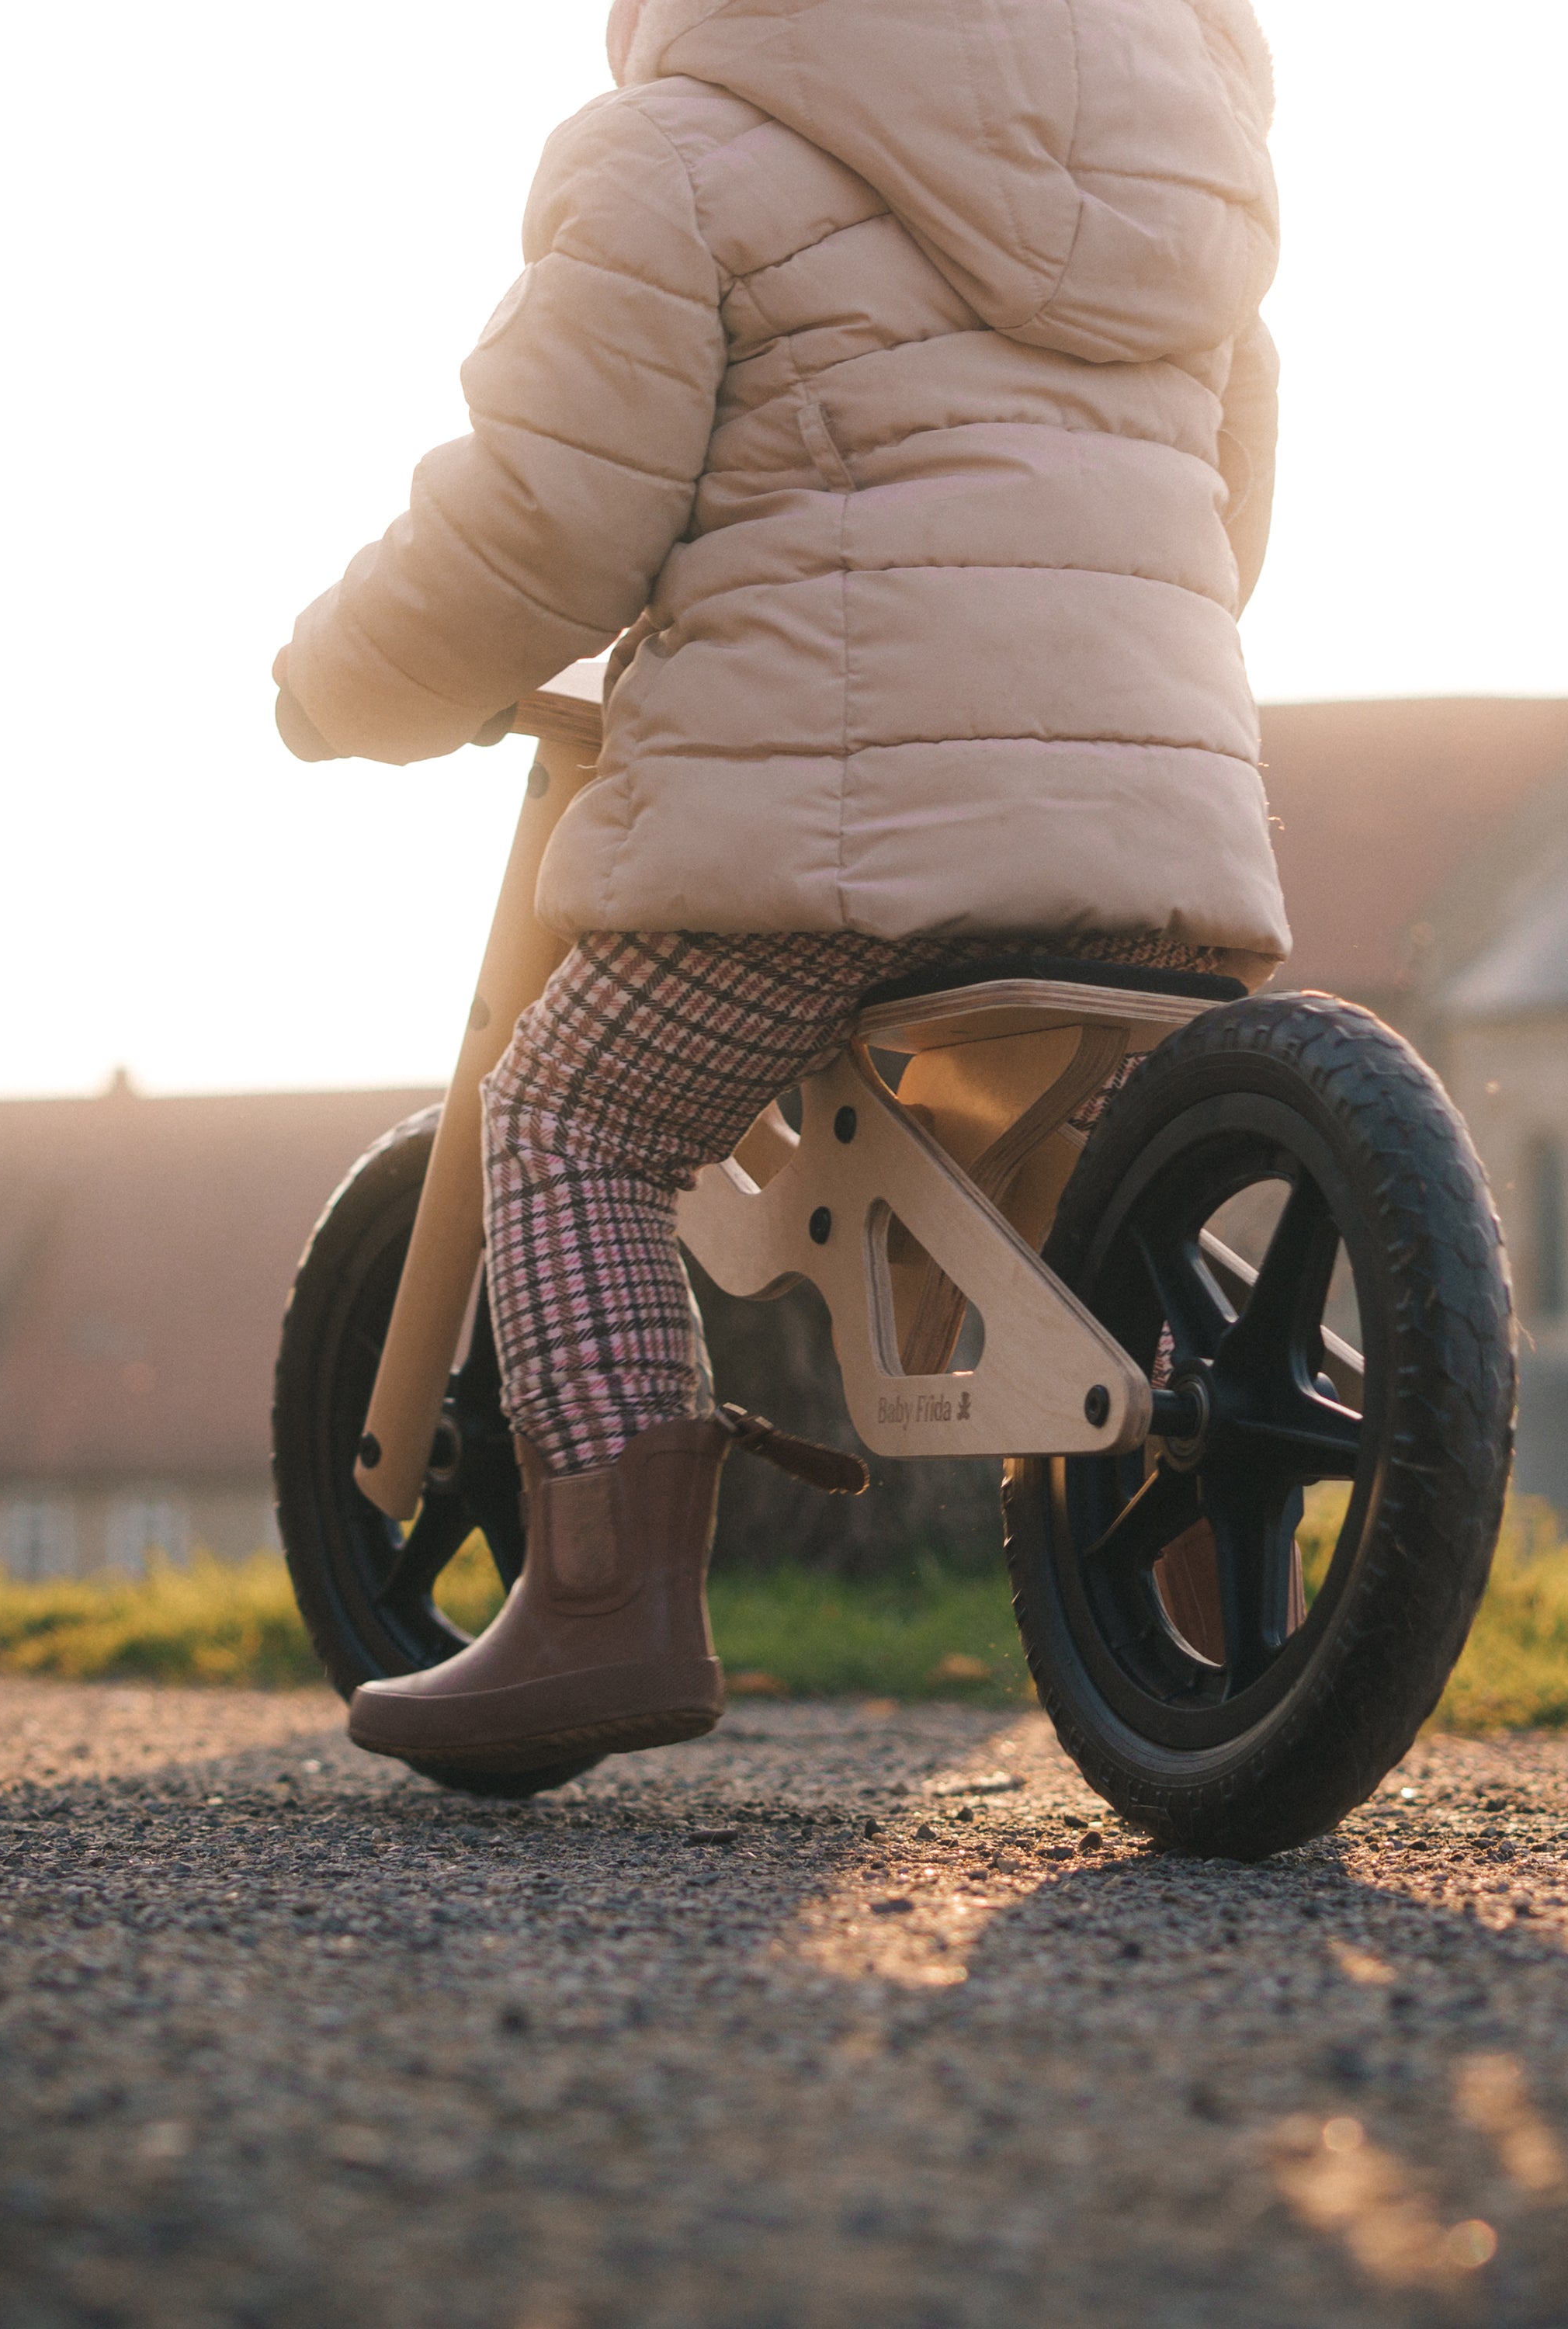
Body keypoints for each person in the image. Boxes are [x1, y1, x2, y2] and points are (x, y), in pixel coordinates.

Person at [274, 0, 1288, 1776]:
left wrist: (349, 684)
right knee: (1061, 1175)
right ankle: (1217, 1630)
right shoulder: (1179, 178)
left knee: (576, 1113)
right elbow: (1235, 512)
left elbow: (542, 525)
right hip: (1155, 834)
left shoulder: (673, 152)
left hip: (822, 850)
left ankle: (605, 1606)